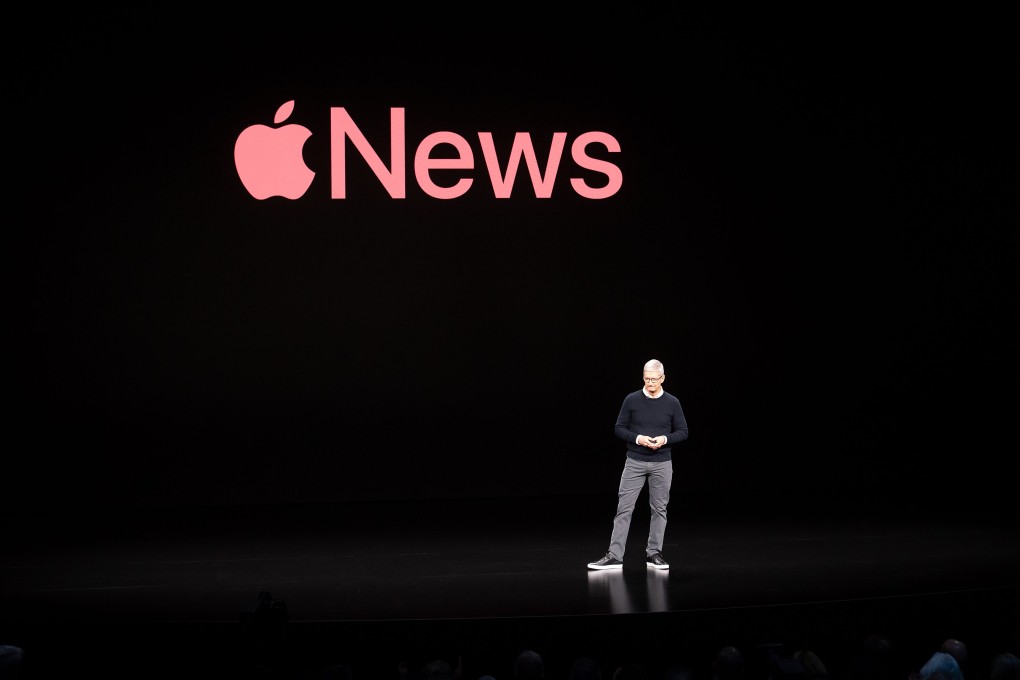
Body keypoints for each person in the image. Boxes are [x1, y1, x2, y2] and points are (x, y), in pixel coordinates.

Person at [588, 359, 689, 570]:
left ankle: (654, 553)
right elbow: (619, 428)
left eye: (654, 379)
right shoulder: (632, 399)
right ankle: (614, 555)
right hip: (634, 461)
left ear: (663, 378)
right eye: (646, 379)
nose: (650, 383)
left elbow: (683, 431)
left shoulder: (672, 402)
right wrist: (638, 438)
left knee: (659, 509)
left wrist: (664, 440)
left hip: (662, 462)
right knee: (624, 508)